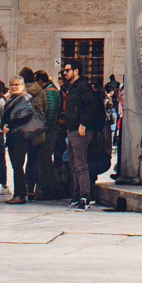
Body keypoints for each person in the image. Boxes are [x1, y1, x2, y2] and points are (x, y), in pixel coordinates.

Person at [62, 59, 101, 210]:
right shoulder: (72, 87)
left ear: (75, 71)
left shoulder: (83, 86)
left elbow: (91, 106)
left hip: (80, 131)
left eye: (67, 70)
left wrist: (83, 124)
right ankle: (77, 195)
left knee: (80, 164)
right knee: (73, 162)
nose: (65, 73)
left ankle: (85, 197)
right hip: (72, 130)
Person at [2, 76, 39, 203]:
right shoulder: (11, 98)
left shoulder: (25, 98)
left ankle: (20, 194)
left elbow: (24, 116)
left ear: (22, 86)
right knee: (15, 166)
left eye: (16, 85)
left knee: (18, 166)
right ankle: (19, 192)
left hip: (20, 137)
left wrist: (10, 125)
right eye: (12, 84)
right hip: (12, 136)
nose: (13, 87)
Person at [20, 67, 47, 200]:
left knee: (19, 162)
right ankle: (31, 188)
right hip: (37, 131)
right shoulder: (41, 91)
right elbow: (45, 109)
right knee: (33, 161)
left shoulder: (20, 92)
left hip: (21, 131)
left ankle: (20, 189)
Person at [34, 69, 61, 199]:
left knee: (45, 161)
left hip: (50, 131)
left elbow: (50, 113)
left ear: (40, 81)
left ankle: (50, 189)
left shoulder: (49, 92)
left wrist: (45, 129)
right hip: (51, 130)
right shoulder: (50, 90)